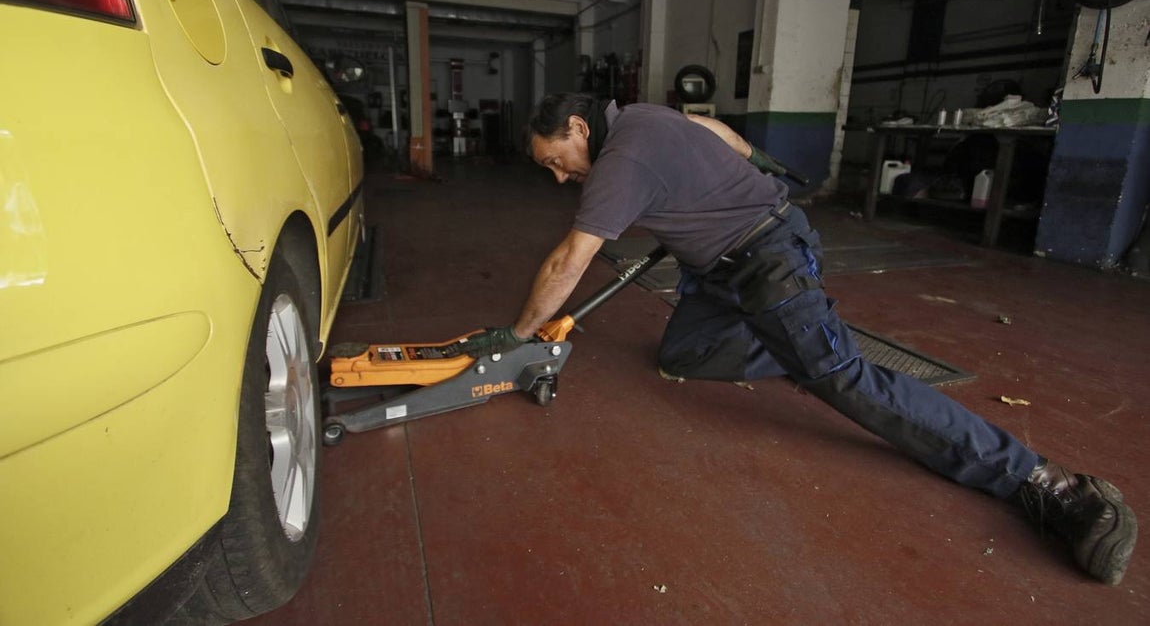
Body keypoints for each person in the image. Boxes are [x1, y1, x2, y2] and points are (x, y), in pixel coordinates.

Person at [462, 93, 1137, 585]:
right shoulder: (640, 114)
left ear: (579, 128)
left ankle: (1045, 482)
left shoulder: (619, 159)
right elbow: (715, 131)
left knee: (842, 379)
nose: (558, 176)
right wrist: (762, 161)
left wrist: (516, 336)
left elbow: (568, 261)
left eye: (557, 160)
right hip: (721, 271)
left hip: (768, 259)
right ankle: (805, 346)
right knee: (681, 354)